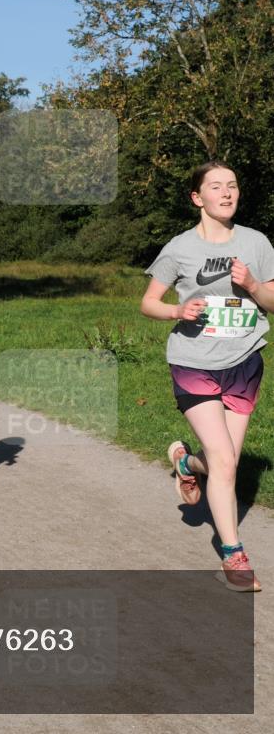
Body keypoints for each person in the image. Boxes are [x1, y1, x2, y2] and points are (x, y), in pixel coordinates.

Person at [141, 161, 274, 593]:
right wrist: (179, 311)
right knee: (223, 460)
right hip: (194, 361)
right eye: (216, 186)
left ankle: (184, 462)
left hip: (245, 360)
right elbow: (149, 303)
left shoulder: (257, 243)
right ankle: (233, 552)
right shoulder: (179, 249)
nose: (227, 192)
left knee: (225, 462)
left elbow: (273, 301)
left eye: (232, 185)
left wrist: (253, 286)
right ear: (198, 198)